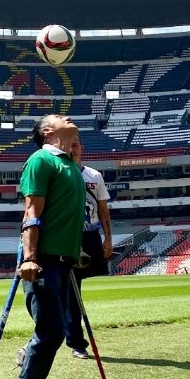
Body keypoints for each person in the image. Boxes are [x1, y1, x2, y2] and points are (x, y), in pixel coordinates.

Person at [7, 114, 85, 379]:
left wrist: (74, 251)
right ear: (48, 131)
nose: (66, 115)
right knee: (51, 330)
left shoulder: (70, 165)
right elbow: (32, 211)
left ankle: (26, 367)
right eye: (56, 117)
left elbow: (69, 214)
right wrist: (29, 257)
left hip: (62, 259)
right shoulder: (41, 160)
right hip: (42, 260)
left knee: (54, 329)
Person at [66, 139, 114, 359]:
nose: (72, 149)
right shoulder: (60, 174)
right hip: (68, 238)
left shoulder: (94, 175)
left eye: (76, 145)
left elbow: (104, 210)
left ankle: (72, 336)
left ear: (82, 149)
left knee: (75, 290)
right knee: (71, 293)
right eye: (69, 146)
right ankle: (76, 342)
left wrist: (108, 239)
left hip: (91, 237)